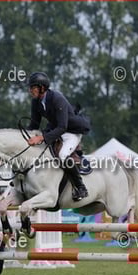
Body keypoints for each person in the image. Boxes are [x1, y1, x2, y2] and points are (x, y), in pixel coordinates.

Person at [26, 72, 91, 201]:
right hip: (56, 129)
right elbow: (34, 125)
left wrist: (41, 138)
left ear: (42, 88)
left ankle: (81, 187)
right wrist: (23, 137)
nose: (30, 90)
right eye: (30, 87)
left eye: (33, 87)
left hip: (71, 131)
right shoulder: (36, 102)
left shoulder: (57, 98)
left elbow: (63, 127)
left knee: (62, 155)